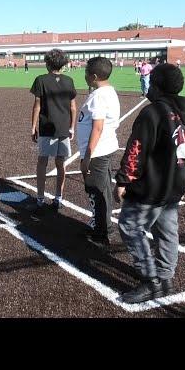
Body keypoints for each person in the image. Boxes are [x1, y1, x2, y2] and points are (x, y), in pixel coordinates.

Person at [114, 63, 185, 303]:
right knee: (166, 229)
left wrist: (123, 180)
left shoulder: (153, 113)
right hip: (175, 181)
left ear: (157, 85)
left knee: (130, 226)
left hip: (153, 184)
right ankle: (165, 276)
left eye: (152, 80)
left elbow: (136, 149)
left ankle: (152, 281)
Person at [77, 56, 121, 246]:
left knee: (95, 190)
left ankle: (100, 233)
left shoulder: (99, 96)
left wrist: (87, 156)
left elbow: (98, 127)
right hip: (106, 147)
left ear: (93, 76)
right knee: (103, 189)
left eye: (86, 73)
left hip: (98, 151)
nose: (85, 76)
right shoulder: (108, 91)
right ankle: (105, 226)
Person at [28, 49, 77, 211]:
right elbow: (73, 108)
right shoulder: (69, 81)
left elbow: (37, 106)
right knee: (60, 162)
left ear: (47, 63)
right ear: (63, 64)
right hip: (63, 128)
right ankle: (58, 197)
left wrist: (33, 127)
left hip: (47, 127)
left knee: (42, 161)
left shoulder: (40, 80)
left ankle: (40, 198)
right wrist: (72, 127)